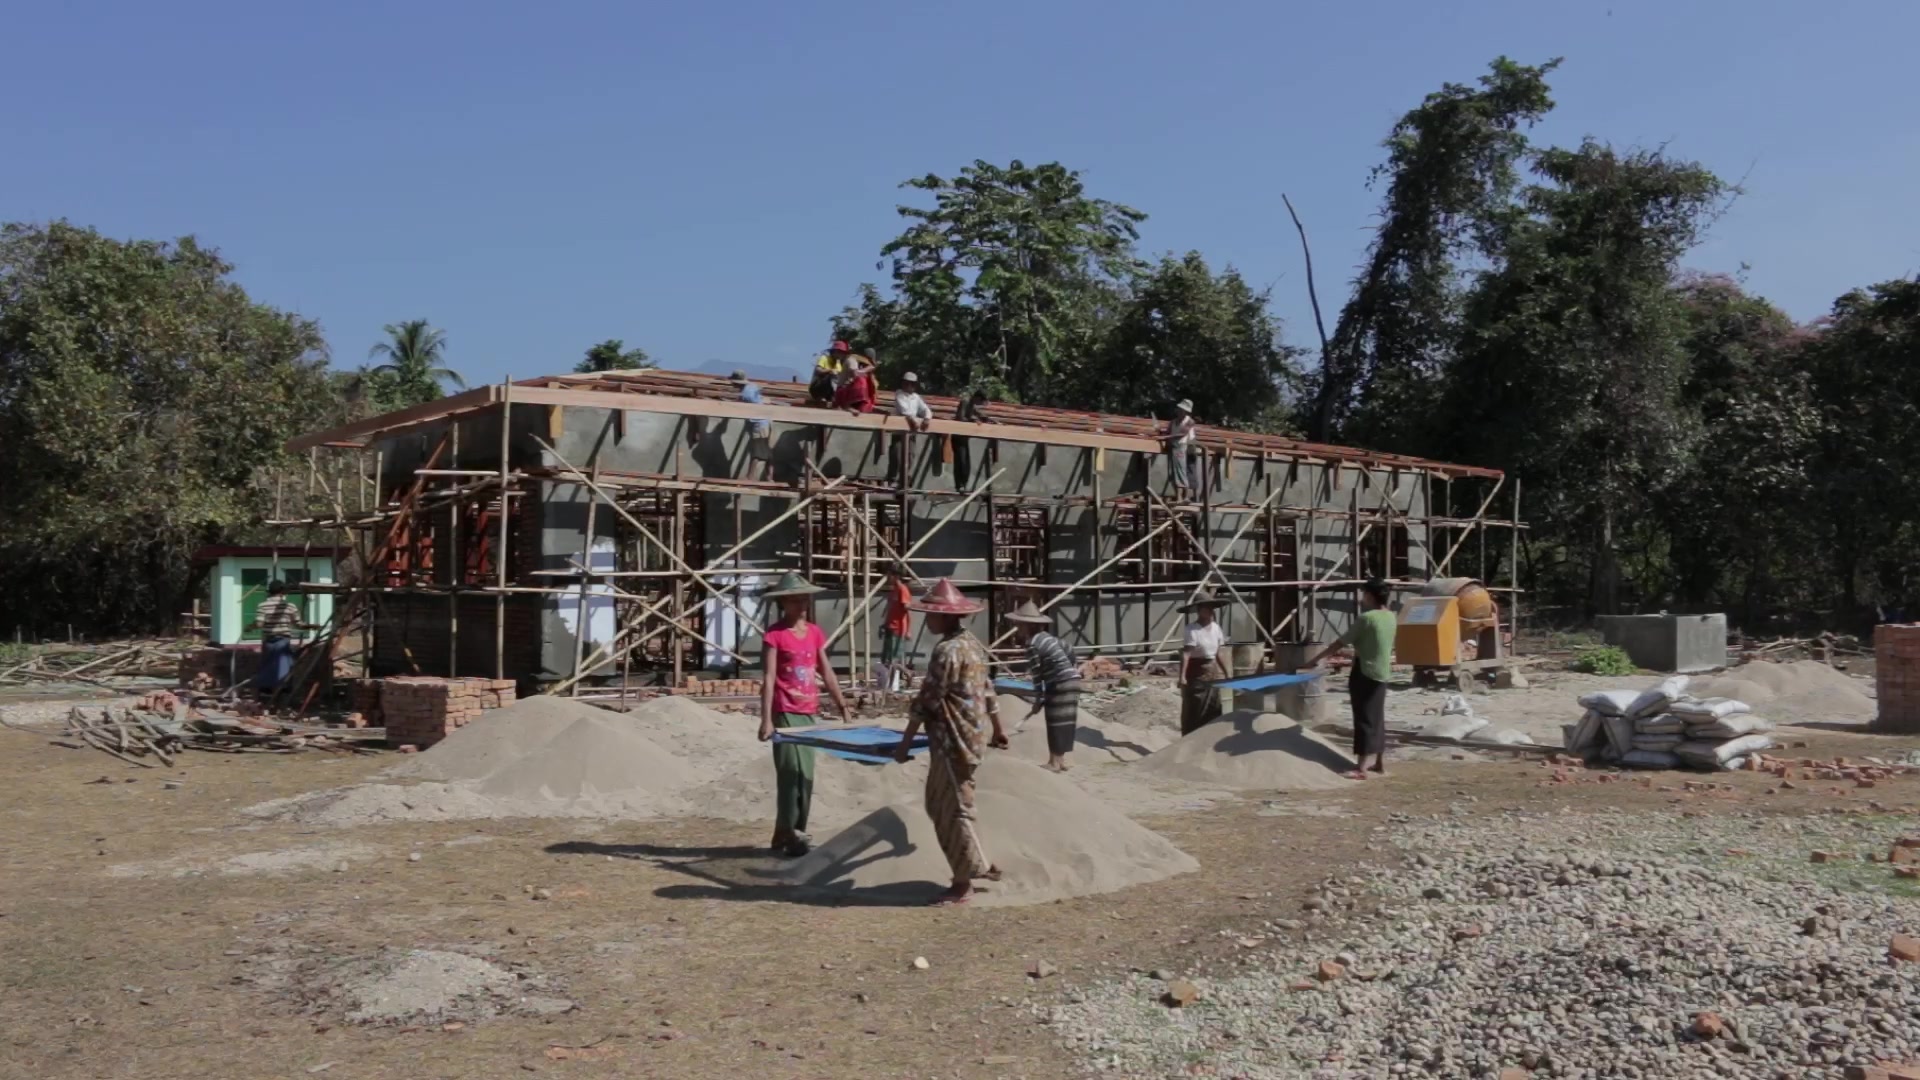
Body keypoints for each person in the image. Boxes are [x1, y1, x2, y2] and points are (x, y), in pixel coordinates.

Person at [891, 578, 1009, 906]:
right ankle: (980, 862)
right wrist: (998, 728)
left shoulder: (946, 651)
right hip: (973, 735)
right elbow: (988, 690)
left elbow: (927, 699)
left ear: (945, 617)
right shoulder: (972, 644)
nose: (927, 619)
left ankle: (963, 881)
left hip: (952, 739)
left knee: (951, 808)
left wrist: (904, 744)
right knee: (950, 803)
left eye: (930, 614)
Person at [758, 572, 854, 856]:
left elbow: (826, 671)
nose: (802, 605)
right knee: (791, 773)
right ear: (784, 602)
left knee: (806, 776)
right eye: (796, 600)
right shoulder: (774, 635)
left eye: (805, 599)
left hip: (808, 712)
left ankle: (790, 832)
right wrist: (765, 720)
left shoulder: (813, 633)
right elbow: (769, 677)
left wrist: (842, 706)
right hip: (785, 711)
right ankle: (789, 832)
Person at [1306, 578, 1397, 780]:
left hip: (1364, 673)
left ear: (1370, 596)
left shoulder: (1367, 618)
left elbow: (1339, 642)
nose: (1361, 597)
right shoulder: (1390, 617)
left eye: (1363, 593)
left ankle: (1361, 768)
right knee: (1377, 717)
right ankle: (1379, 763)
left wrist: (1315, 659)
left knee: (1364, 718)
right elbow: (1372, 645)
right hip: (1382, 672)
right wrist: (1352, 653)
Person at [1003, 600, 1081, 772]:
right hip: (1073, 679)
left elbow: (1037, 676)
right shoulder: (1048, 638)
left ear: (1027, 626)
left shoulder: (1032, 644)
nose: (1017, 628)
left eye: (1019, 624)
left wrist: (1038, 698)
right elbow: (1069, 649)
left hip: (1060, 682)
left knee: (1054, 720)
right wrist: (1070, 668)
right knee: (1066, 720)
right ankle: (1062, 760)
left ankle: (1054, 762)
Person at [1176, 590, 1230, 735]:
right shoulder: (1192, 629)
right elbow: (1186, 654)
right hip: (1196, 673)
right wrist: (1182, 676)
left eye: (1212, 608)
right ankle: (1190, 738)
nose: (1211, 611)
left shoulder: (1216, 628)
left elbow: (1218, 653)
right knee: (1195, 708)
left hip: (1212, 672)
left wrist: (1226, 672)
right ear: (1200, 611)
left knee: (1213, 707)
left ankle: (1210, 739)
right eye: (1207, 608)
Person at [248, 580, 316, 696]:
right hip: (283, 640)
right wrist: (312, 626)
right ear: (282, 592)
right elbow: (299, 624)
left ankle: (266, 691)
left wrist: (249, 627)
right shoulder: (289, 606)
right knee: (284, 665)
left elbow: (259, 624)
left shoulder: (262, 605)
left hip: (268, 640)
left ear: (270, 592)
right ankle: (283, 691)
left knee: (267, 665)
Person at [888, 371, 934, 484]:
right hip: (899, 433)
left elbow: (925, 409)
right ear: (903, 383)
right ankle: (892, 479)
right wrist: (913, 419)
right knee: (897, 456)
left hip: (911, 433)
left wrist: (927, 418)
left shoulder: (916, 397)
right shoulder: (899, 394)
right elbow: (904, 410)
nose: (909, 386)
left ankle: (903, 481)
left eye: (912, 384)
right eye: (907, 383)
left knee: (910, 457)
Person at [733, 370, 773, 482]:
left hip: (759, 423)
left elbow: (745, 404)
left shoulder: (746, 394)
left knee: (756, 451)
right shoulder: (752, 386)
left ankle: (750, 477)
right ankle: (770, 476)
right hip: (765, 422)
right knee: (766, 450)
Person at [952, 389, 996, 490]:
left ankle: (964, 484)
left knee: (966, 463)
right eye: (980, 402)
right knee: (961, 461)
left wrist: (989, 420)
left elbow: (979, 414)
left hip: (964, 438)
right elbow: (960, 418)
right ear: (977, 398)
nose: (979, 404)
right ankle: (960, 485)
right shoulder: (965, 401)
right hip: (958, 436)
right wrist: (973, 420)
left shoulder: (971, 404)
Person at [880, 563, 914, 691]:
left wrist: (908, 630)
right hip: (890, 627)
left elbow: (906, 610)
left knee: (893, 660)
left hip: (898, 629)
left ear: (895, 576)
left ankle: (904, 676)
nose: (887, 577)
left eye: (889, 575)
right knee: (886, 660)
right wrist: (884, 624)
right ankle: (897, 680)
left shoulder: (902, 590)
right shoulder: (893, 591)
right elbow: (891, 610)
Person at [1166, 399, 1198, 503]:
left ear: (1186, 411)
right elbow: (1168, 431)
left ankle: (1184, 497)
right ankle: (1180, 497)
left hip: (1184, 447)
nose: (1180, 412)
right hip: (1174, 447)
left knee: (1181, 471)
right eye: (1179, 410)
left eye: (1182, 410)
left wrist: (1168, 436)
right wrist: (1162, 432)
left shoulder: (1189, 421)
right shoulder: (1173, 422)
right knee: (1174, 471)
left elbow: (1182, 434)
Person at [809, 340, 853, 405]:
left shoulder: (838, 364)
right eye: (839, 352)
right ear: (833, 352)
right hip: (817, 387)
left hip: (829, 391)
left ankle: (835, 397)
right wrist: (830, 370)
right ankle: (826, 397)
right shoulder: (824, 358)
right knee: (832, 375)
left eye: (842, 353)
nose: (840, 355)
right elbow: (818, 370)